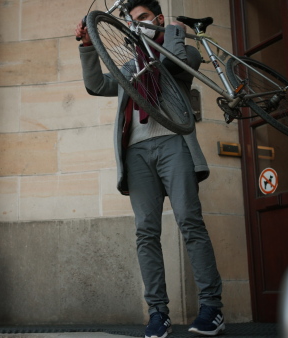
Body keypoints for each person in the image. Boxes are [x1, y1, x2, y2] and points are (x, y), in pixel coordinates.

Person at [75, 1, 225, 337]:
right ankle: (157, 313)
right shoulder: (128, 67)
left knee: (190, 220)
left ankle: (212, 307)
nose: (136, 23)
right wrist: (87, 46)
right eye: (132, 20)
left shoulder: (179, 48)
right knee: (146, 231)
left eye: (143, 18)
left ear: (157, 19)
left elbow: (178, 66)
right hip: (137, 153)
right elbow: (97, 85)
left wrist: (172, 33)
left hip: (174, 145)